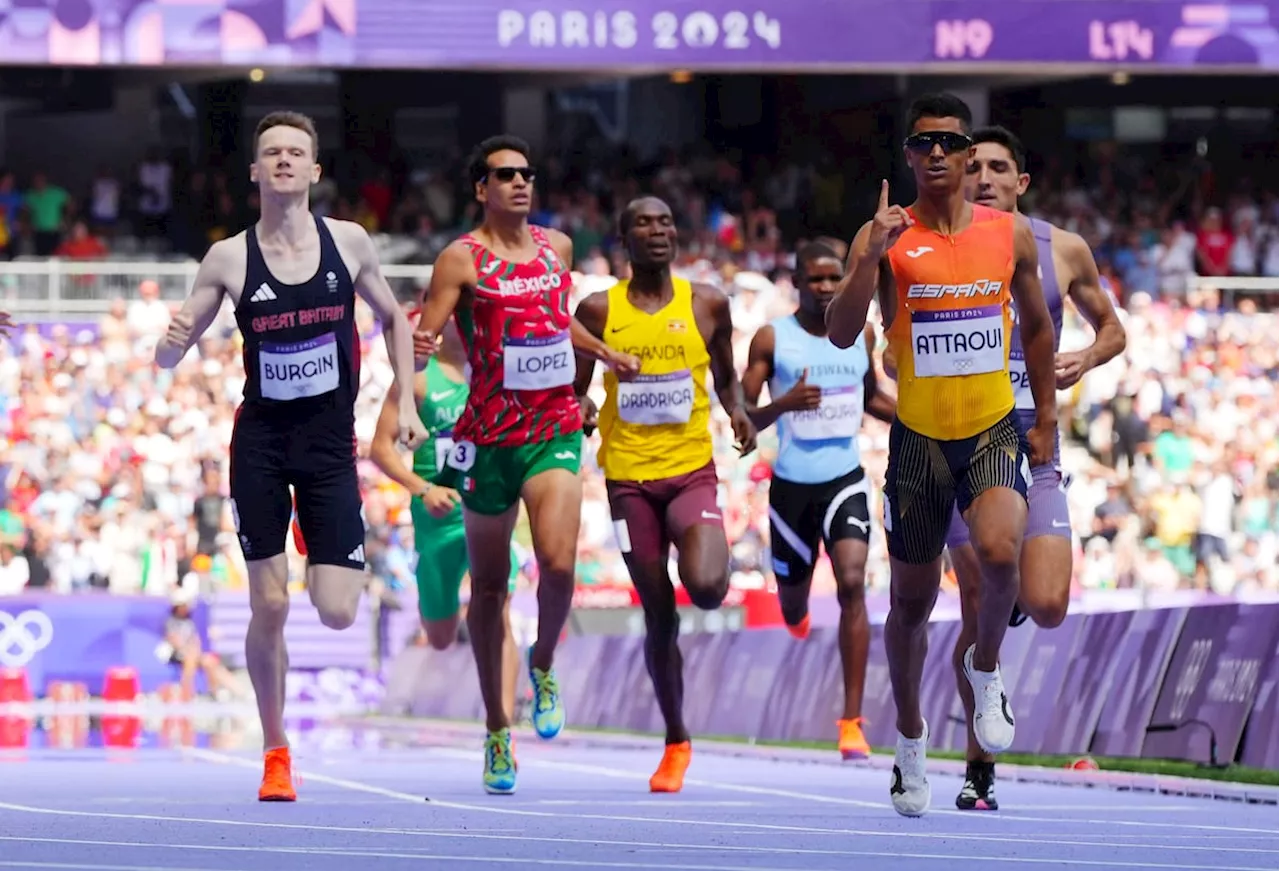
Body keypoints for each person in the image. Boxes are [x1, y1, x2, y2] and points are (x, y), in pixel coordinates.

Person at [155, 110, 426, 802]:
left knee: (336, 609)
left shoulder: (351, 243)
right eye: (270, 152)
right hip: (265, 444)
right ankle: (276, 749)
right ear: (254, 171)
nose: (282, 160)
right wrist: (172, 338)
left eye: (294, 152)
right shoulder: (228, 257)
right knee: (269, 601)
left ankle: (317, 531)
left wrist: (411, 402)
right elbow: (168, 354)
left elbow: (396, 318)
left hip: (331, 446)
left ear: (314, 170)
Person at [825, 92, 1058, 817]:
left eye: (948, 143)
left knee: (998, 554)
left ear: (965, 154)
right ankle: (909, 735)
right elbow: (839, 333)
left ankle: (985, 668)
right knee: (912, 603)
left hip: (991, 426)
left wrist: (1044, 414)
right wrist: (870, 253)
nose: (935, 154)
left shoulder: (1008, 233)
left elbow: (1042, 331)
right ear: (907, 155)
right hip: (918, 439)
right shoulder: (885, 234)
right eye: (922, 143)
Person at [412, 135, 640, 795]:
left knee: (560, 563)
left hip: (552, 428)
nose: (519, 183)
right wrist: (417, 352)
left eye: (526, 174)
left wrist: (604, 350)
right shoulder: (459, 259)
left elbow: (553, 321)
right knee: (488, 589)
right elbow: (427, 339)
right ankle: (495, 729)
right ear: (480, 188)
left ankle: (542, 662)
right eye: (504, 175)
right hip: (489, 437)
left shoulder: (556, 248)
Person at [946, 125, 1127, 811]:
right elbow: (895, 344)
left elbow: (1113, 328)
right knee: (974, 599)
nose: (983, 178)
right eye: (973, 169)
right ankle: (978, 766)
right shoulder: (941, 247)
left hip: (1033, 443)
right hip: (962, 446)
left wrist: (1087, 356)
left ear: (1020, 182)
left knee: (1046, 604)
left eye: (997, 168)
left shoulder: (1063, 249)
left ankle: (1007, 604)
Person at [572, 196, 757, 793]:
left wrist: (738, 412)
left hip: (690, 471)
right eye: (644, 223)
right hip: (628, 482)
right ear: (624, 239)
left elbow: (727, 376)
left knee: (705, 588)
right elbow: (576, 388)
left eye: (666, 222)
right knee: (658, 613)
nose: (658, 231)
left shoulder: (707, 303)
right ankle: (676, 738)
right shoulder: (598, 310)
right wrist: (584, 407)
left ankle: (699, 562)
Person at [740, 241, 896, 761]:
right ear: (797, 283)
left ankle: (851, 722)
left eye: (836, 278)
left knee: (852, 583)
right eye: (817, 280)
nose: (828, 288)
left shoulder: (861, 334)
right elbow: (743, 417)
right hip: (790, 487)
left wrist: (921, 419)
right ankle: (795, 608)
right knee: (793, 600)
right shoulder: (773, 339)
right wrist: (784, 403)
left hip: (845, 477)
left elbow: (871, 396)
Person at [368, 317, 521, 723]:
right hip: (437, 523)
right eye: (457, 314)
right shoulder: (418, 381)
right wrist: (424, 489)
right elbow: (380, 449)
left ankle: (501, 728)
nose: (466, 320)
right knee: (440, 636)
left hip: (488, 511)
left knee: (498, 609)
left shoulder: (500, 373)